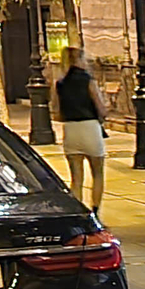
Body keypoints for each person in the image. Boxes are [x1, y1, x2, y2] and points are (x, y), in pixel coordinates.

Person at [48, 43, 111, 209]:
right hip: (90, 128)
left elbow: (56, 112)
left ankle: (78, 211)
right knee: (97, 174)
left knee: (76, 179)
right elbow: (101, 109)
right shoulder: (88, 80)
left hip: (71, 130)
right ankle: (95, 211)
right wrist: (105, 111)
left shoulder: (60, 83)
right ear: (79, 59)